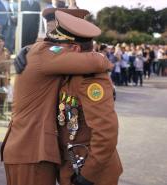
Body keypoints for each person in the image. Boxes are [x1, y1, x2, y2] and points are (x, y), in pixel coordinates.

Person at [1, 8, 113, 185]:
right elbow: (96, 61)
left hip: (34, 150)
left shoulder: (44, 53)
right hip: (31, 149)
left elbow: (105, 129)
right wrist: (104, 59)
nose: (53, 41)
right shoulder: (49, 54)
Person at [54, 11, 123, 185]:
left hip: (93, 172)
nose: (53, 51)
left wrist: (88, 175)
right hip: (71, 165)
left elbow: (105, 132)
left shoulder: (90, 80)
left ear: (75, 49)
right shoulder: (68, 73)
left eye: (58, 46)